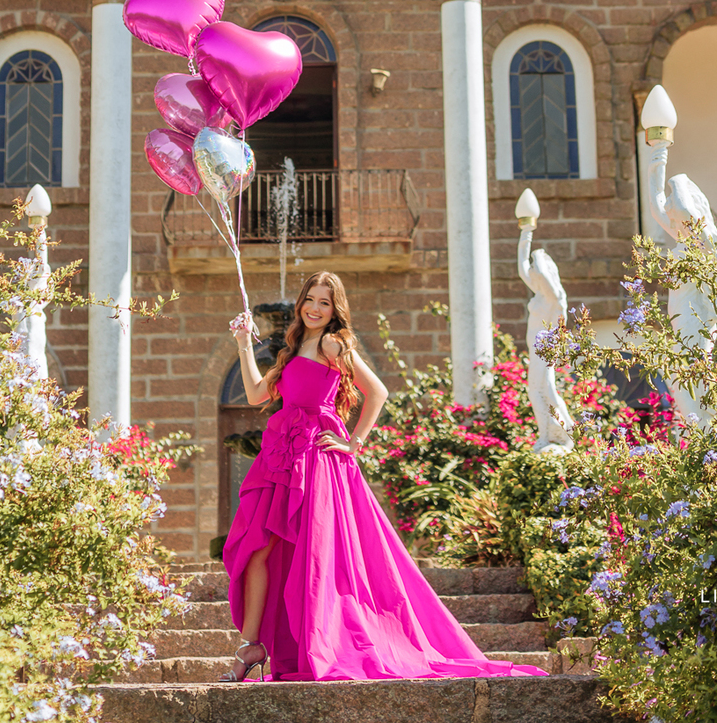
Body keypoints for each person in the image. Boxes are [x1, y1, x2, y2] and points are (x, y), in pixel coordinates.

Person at [219, 270, 548, 683]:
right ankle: (252, 645)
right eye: (311, 300)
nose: (316, 308)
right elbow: (254, 395)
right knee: (259, 550)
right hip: (283, 456)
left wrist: (355, 443)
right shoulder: (292, 350)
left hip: (317, 462)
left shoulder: (331, 343)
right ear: (301, 302)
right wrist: (242, 344)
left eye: (325, 302)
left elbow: (378, 391)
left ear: (334, 309)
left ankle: (314, 642)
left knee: (313, 556)